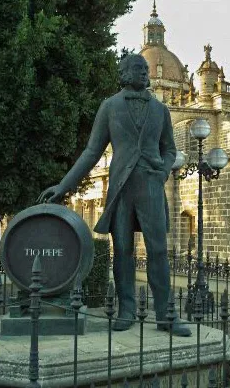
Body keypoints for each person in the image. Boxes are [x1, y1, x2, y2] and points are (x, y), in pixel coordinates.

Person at [38, 54, 191, 336]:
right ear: (123, 74)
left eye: (146, 70)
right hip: (120, 188)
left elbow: (169, 149)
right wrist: (63, 186)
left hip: (152, 186)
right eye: (138, 69)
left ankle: (166, 316)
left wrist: (163, 171)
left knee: (158, 250)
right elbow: (91, 151)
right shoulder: (109, 106)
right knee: (122, 251)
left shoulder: (161, 110)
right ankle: (127, 311)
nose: (144, 73)